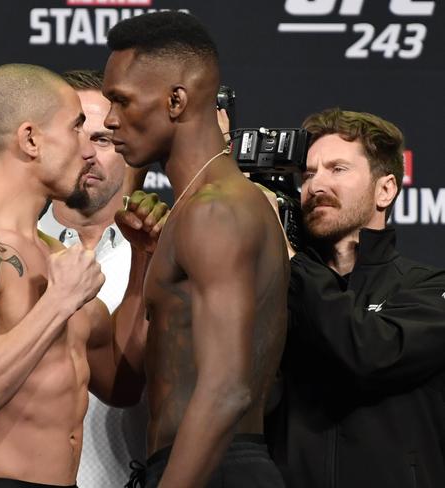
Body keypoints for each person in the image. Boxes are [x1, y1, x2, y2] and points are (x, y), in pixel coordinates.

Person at [0, 63, 165, 488]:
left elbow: (120, 384)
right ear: (30, 139)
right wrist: (58, 304)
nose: (89, 151)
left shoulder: (53, 254)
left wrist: (142, 260)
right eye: (75, 130)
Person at [102, 11, 289, 488]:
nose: (108, 120)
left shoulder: (216, 210)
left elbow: (227, 389)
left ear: (176, 100)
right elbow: (125, 384)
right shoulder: (191, 210)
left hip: (219, 468)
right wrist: (142, 256)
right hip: (197, 466)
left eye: (121, 101)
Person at [266, 108, 445, 488]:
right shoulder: (277, 287)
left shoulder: (428, 288)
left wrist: (292, 262)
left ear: (386, 190)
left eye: (337, 169)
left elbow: (367, 353)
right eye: (309, 173)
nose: (316, 185)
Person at [38, 69, 148, 487]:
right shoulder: (9, 253)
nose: (87, 153)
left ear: (127, 148)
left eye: (102, 139)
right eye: (75, 136)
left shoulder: (169, 252)